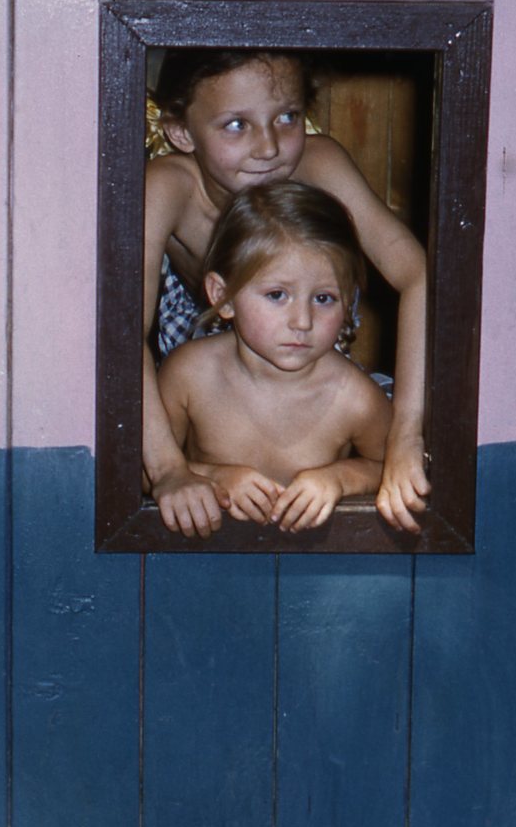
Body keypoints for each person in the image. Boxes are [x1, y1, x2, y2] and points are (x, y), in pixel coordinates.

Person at [142, 48, 431, 538]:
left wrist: (406, 436)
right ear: (182, 131)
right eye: (237, 125)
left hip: (313, 356)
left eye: (288, 117)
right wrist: (170, 470)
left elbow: (418, 275)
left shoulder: (317, 163)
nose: (270, 148)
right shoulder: (168, 186)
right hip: (188, 350)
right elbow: (120, 326)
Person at [159, 182, 391, 533]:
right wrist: (215, 477)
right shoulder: (188, 376)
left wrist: (339, 479)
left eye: (325, 298)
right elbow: (144, 469)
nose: (302, 321)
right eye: (277, 294)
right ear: (223, 297)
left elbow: (394, 465)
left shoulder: (356, 397)